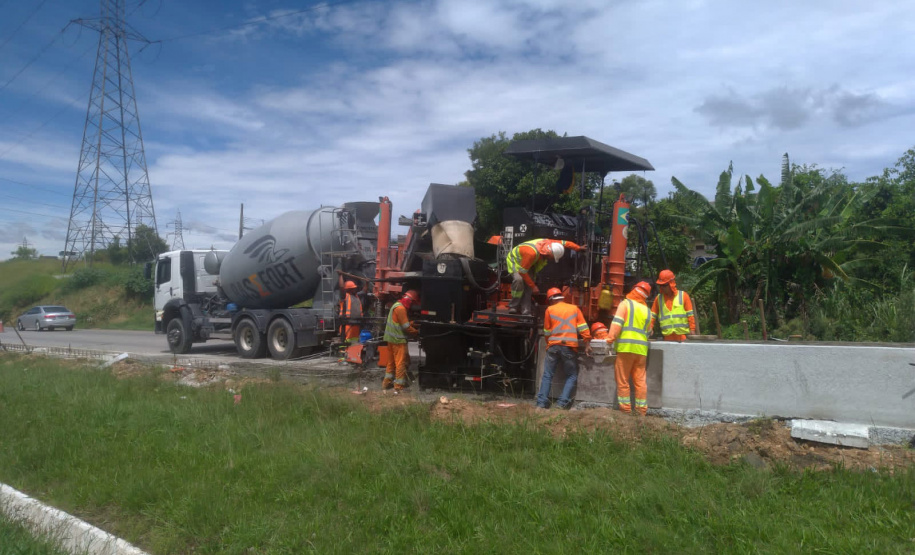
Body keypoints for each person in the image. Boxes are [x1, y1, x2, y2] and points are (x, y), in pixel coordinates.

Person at [536, 287, 592, 409]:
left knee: (547, 375)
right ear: (561, 297)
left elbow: (546, 331)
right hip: (569, 348)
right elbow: (583, 327)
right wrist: (587, 343)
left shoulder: (549, 310)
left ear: (550, 299)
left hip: (553, 347)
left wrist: (549, 343)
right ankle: (561, 403)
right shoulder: (574, 309)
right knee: (571, 375)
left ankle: (541, 403)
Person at [606, 281, 653, 415]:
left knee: (623, 380)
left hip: (626, 348)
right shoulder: (648, 311)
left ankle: (626, 411)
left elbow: (617, 324)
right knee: (640, 381)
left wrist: (610, 340)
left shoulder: (625, 304)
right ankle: (641, 411)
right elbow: (649, 332)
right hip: (641, 351)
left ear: (634, 290)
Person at [505, 238, 585, 315]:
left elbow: (565, 243)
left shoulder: (552, 244)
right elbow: (522, 272)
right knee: (519, 280)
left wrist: (578, 248)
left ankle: (526, 310)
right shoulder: (531, 252)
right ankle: (514, 306)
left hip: (527, 262)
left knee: (528, 286)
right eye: (552, 257)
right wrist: (533, 287)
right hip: (516, 260)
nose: (552, 259)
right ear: (548, 253)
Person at [382, 289, 420, 391]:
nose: (411, 305)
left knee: (391, 363)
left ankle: (386, 383)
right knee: (400, 363)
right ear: (409, 300)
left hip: (390, 339)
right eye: (412, 302)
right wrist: (417, 332)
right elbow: (406, 327)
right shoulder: (401, 309)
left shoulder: (396, 305)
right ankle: (398, 386)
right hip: (398, 340)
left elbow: (400, 322)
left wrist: (413, 323)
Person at [651, 269, 696, 342]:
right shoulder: (658, 299)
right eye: (660, 285)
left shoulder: (683, 296)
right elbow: (652, 316)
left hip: (682, 336)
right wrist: (650, 328)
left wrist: (692, 329)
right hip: (667, 337)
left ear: (671, 284)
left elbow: (690, 315)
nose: (662, 287)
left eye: (664, 285)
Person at [341, 280, 362, 344]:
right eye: (353, 288)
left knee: (355, 340)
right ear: (348, 289)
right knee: (347, 339)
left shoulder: (356, 296)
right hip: (348, 323)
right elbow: (341, 287)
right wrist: (340, 276)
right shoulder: (345, 296)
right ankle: (344, 351)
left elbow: (364, 291)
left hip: (356, 322)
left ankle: (353, 350)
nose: (355, 290)